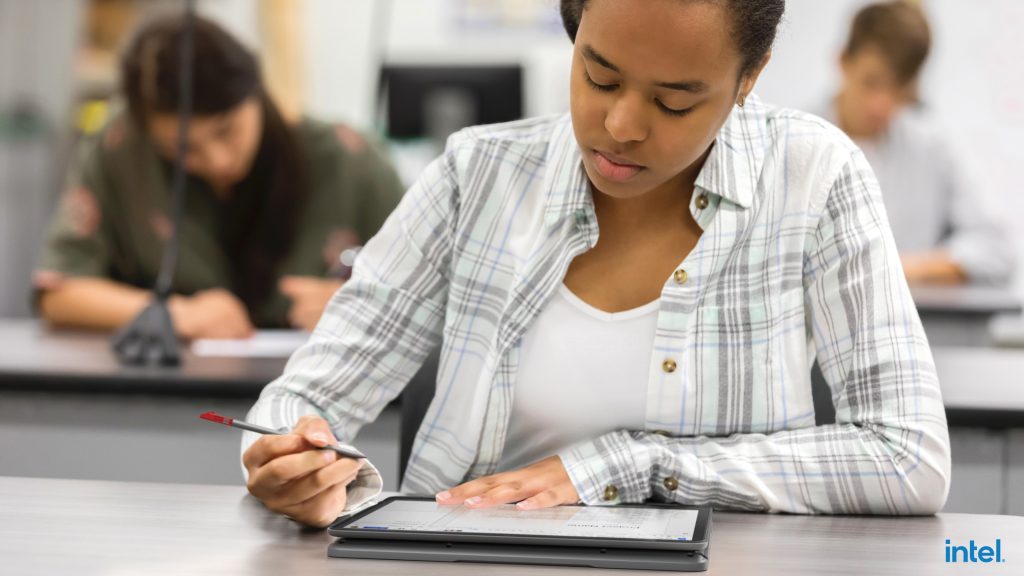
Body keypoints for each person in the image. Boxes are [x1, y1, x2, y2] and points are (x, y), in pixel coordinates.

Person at [242, 0, 951, 528]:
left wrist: (625, 466)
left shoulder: (813, 176)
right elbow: (303, 401)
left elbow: (908, 457)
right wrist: (293, 461)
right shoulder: (477, 176)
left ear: (750, 76)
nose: (621, 127)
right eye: (600, 77)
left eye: (674, 101)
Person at [34, 15, 405, 339]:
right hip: (168, 388)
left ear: (256, 92)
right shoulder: (122, 149)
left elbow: (432, 297)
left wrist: (361, 307)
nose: (216, 160)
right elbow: (57, 292)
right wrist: (172, 314)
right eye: (182, 148)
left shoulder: (349, 162)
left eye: (227, 130)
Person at [821, 1, 1014, 285]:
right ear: (842, 62)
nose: (881, 104)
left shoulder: (930, 146)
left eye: (897, 88)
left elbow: (997, 249)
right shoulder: (796, 145)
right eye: (871, 82)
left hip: (915, 310)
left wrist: (902, 268)